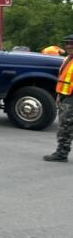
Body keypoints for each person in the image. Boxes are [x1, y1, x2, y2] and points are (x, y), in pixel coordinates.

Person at [43, 34, 73, 162]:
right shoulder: (68, 59)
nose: (68, 46)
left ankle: (61, 154)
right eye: (67, 43)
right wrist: (59, 96)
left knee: (65, 128)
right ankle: (62, 152)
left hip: (71, 99)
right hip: (65, 97)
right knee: (65, 127)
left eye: (71, 44)